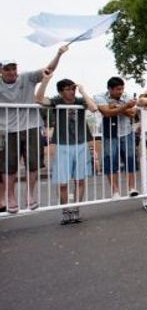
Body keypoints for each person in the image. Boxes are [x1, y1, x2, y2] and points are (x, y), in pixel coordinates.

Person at [0, 45, 68, 214]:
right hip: (7, 129)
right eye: (7, 69)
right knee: (9, 166)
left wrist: (58, 54)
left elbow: (48, 69)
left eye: (13, 68)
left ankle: (30, 195)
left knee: (33, 163)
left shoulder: (27, 77)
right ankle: (10, 196)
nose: (11, 72)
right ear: (1, 71)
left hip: (31, 126)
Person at [36, 74, 98, 223]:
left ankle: (76, 209)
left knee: (80, 180)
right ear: (61, 92)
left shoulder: (80, 101)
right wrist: (45, 81)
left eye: (73, 88)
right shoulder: (57, 101)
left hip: (81, 144)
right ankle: (65, 211)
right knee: (62, 182)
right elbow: (39, 99)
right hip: (63, 145)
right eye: (68, 89)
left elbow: (94, 108)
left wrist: (82, 91)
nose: (72, 91)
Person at [94, 77, 138, 198]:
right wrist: (124, 107)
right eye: (118, 89)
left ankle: (132, 188)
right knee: (110, 161)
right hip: (109, 133)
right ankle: (115, 191)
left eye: (122, 88)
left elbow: (133, 113)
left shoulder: (127, 96)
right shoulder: (100, 96)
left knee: (130, 160)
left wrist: (116, 107)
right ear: (110, 89)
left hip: (127, 131)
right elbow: (107, 113)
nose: (121, 91)